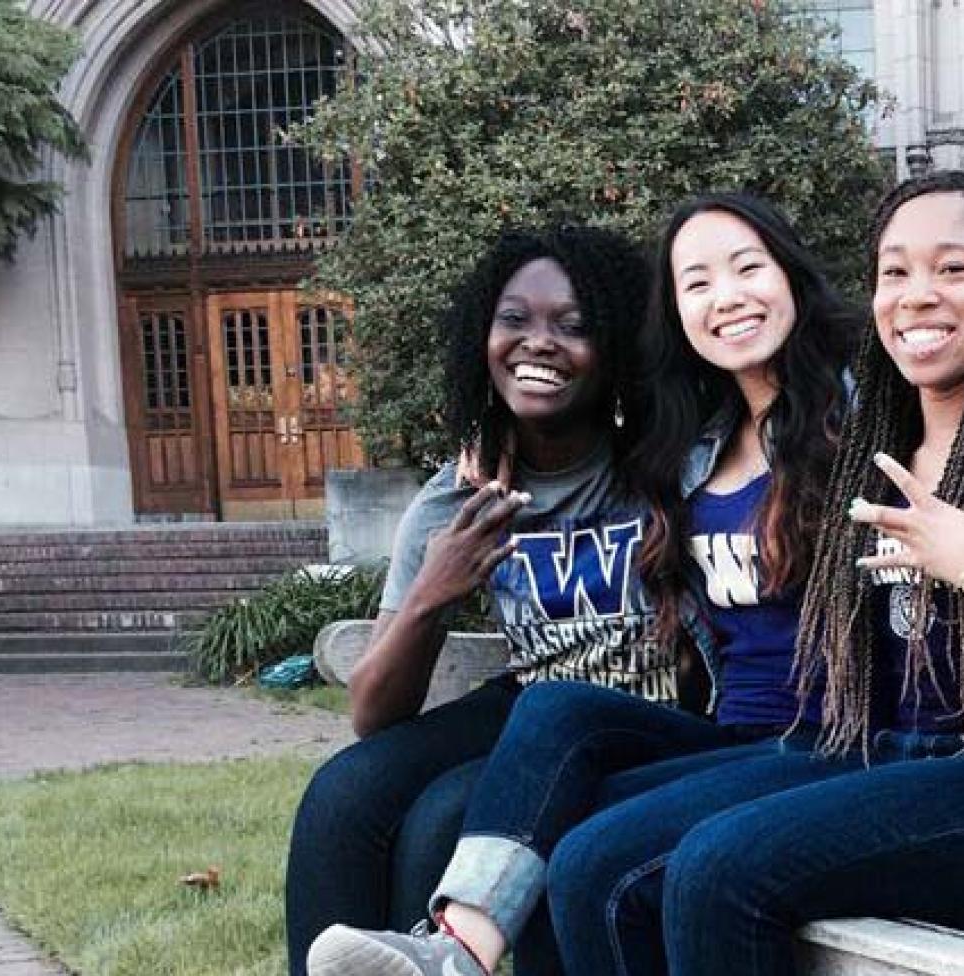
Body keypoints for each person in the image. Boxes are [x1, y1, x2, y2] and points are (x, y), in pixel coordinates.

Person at [303, 191, 964, 976]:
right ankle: (457, 946)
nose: (726, 296)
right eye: (696, 283)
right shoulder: (686, 443)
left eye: (748, 268)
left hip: (851, 740)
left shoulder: (863, 409)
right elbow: (571, 415)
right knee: (519, 749)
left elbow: (955, 352)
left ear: (792, 276)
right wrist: (496, 441)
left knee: (585, 836)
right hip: (737, 736)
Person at [284, 226, 688, 976]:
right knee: (342, 796)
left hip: (653, 712)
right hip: (532, 707)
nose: (539, 342)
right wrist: (432, 594)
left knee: (440, 820)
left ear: (617, 350)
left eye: (574, 325)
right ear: (483, 337)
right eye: (515, 320)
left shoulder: (669, 465)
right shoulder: (457, 499)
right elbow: (372, 714)